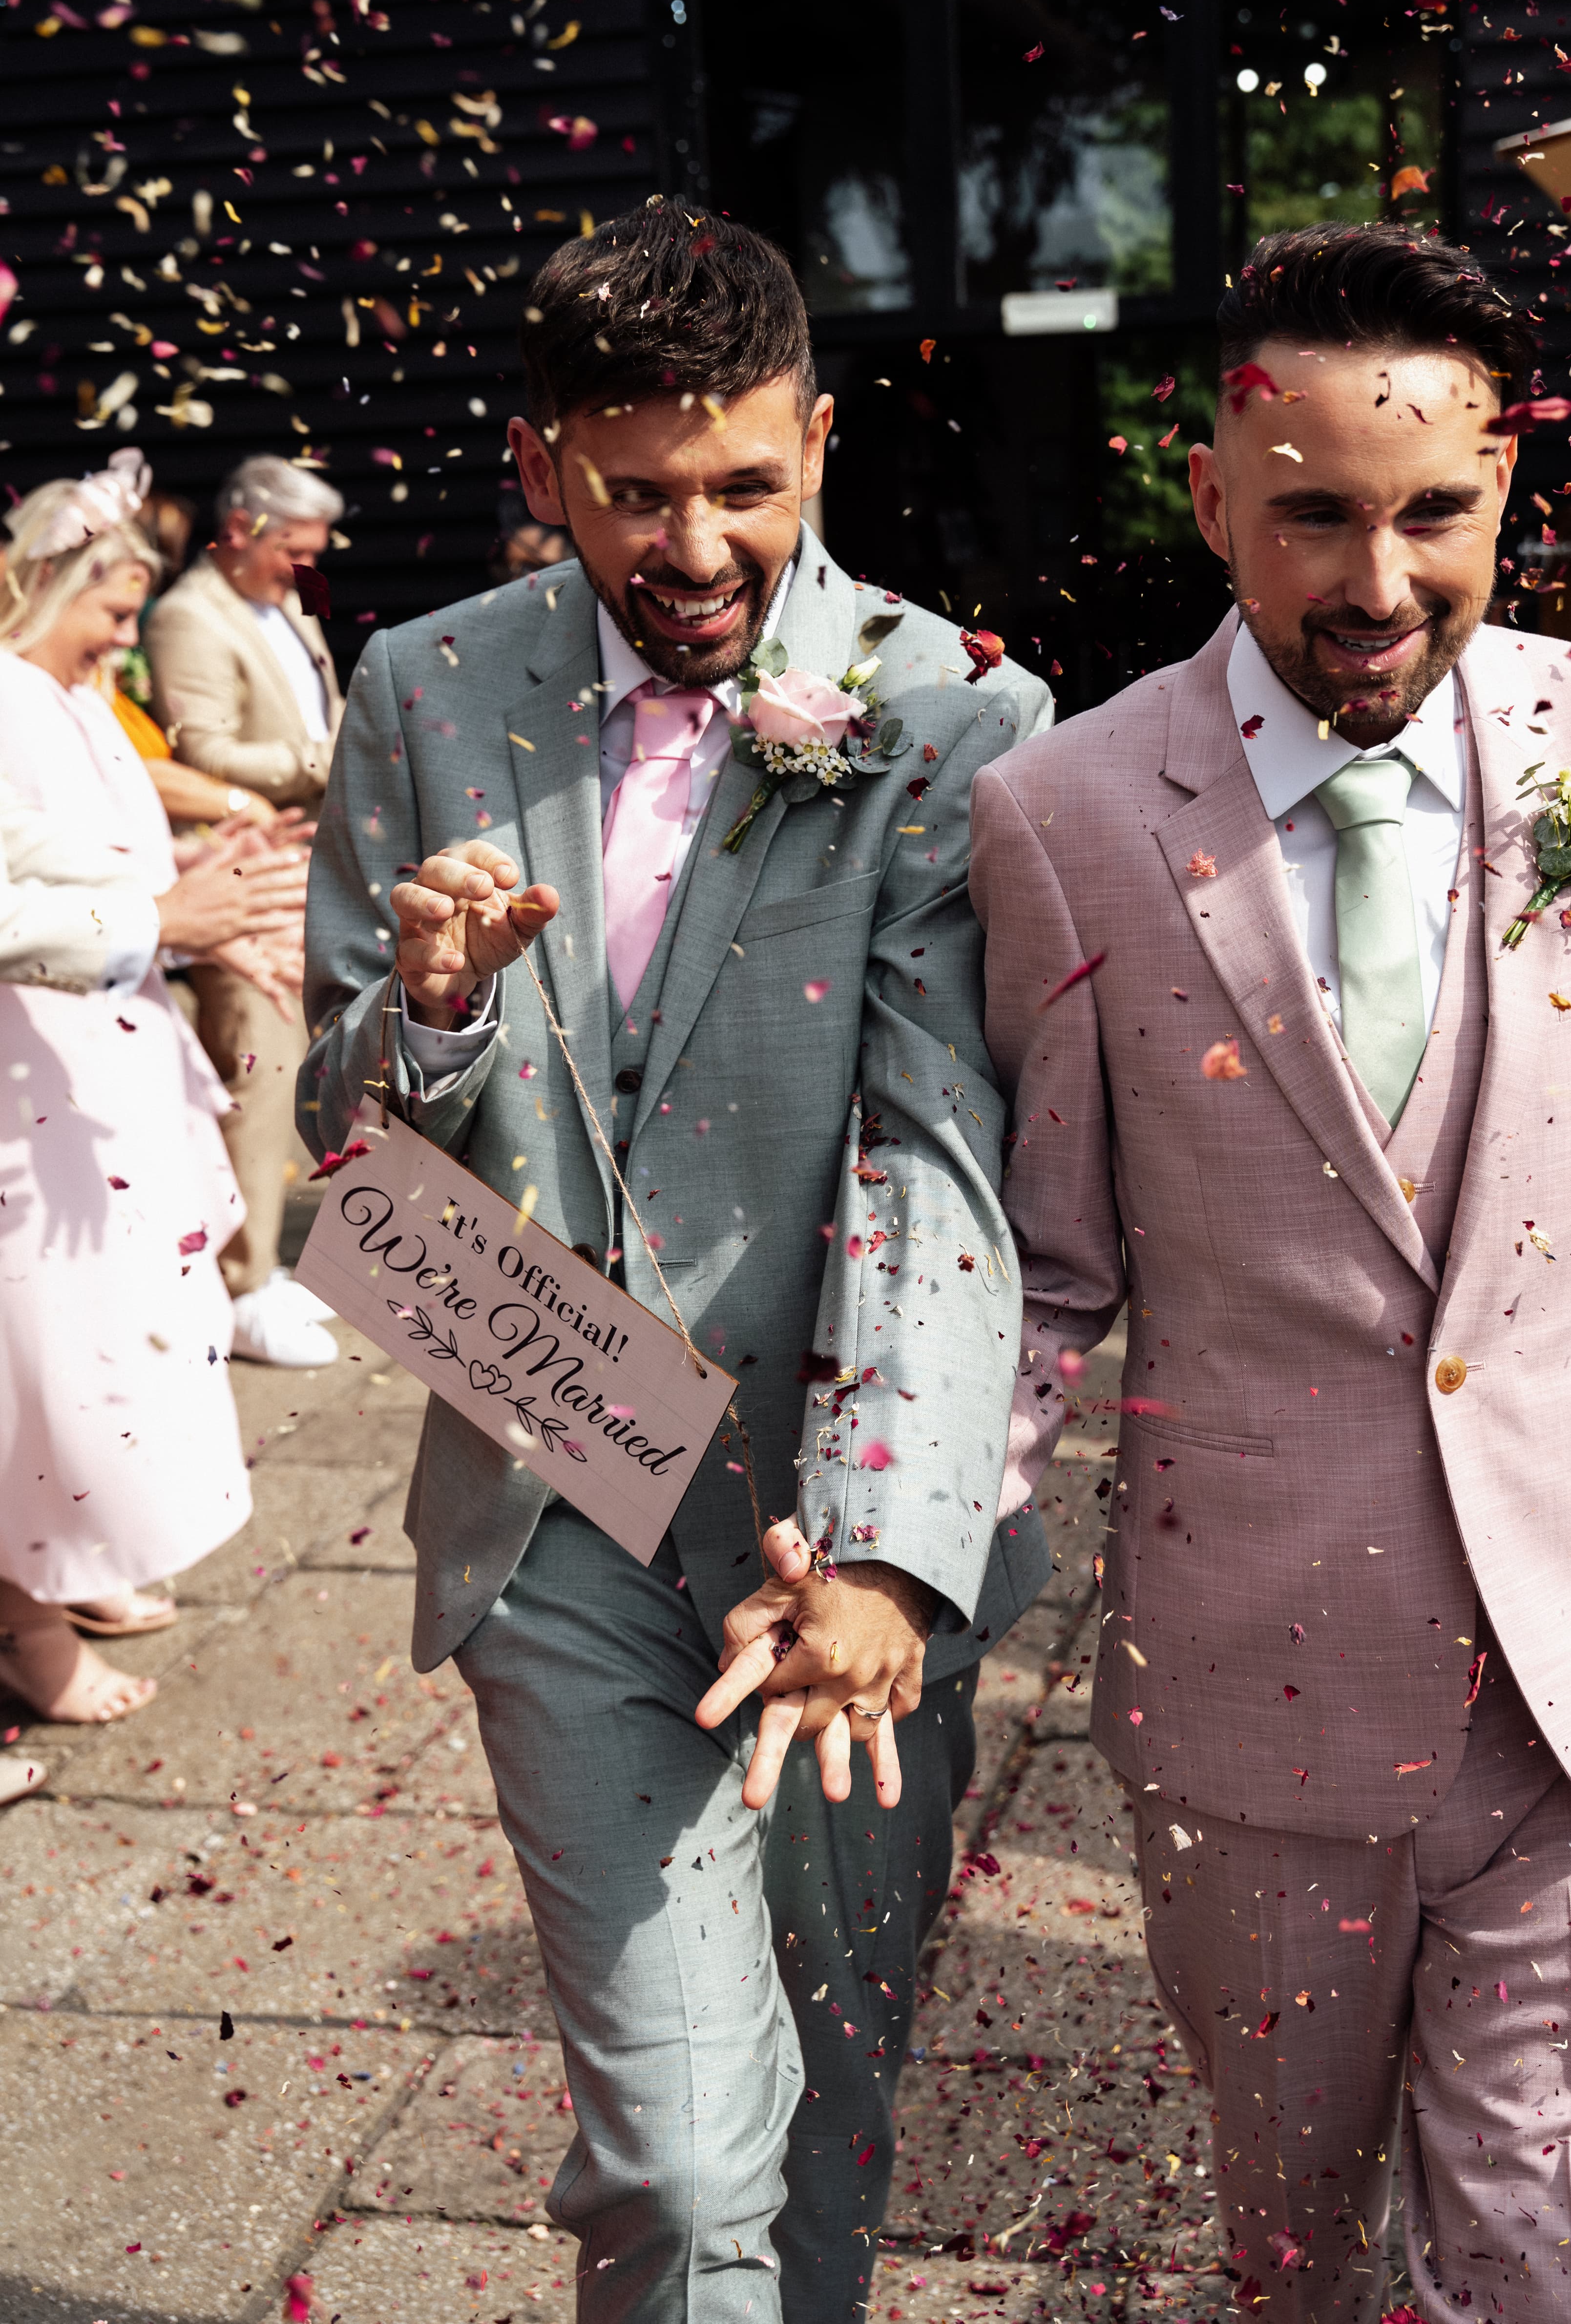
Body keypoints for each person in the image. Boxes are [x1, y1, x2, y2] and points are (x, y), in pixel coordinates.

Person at [966, 223, 1571, 2324]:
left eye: (1436, 514)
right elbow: (1049, 1276)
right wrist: (888, 1562)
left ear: (1505, 487)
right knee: (1291, 2261)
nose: (1378, 584)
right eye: (1314, 517)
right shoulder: (1067, 812)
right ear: (1214, 497)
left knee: (1552, 2273)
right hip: (1252, 1701)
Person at [300, 200, 1051, 2324]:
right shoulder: (423, 687)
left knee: (827, 2106)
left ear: (818, 441)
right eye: (637, 494)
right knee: (681, 2154)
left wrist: (888, 1556)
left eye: (743, 484)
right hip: (559, 1495)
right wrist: (428, 1012)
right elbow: (343, 1152)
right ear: (542, 465)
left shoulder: (953, 713)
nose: (698, 546)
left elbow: (937, 1151)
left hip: (841, 1521)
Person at [0, 454, 303, 1746]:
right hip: (32, 1087)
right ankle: (29, 1624)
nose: (128, 639)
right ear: (49, 580)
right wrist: (166, 919)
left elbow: (84, 862)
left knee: (113, 1342)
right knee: (45, 1354)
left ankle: (76, 1557)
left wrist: (208, 897)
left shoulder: (71, 698)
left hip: (103, 1065)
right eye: (115, 610)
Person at [146, 453, 345, 1365]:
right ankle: (241, 1284)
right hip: (236, 869)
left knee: (299, 1059)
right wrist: (326, 757)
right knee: (257, 1061)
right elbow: (202, 751)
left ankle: (268, 1258)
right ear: (241, 528)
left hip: (304, 859)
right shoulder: (188, 616)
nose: (310, 564)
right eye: (296, 547)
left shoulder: (288, 602)